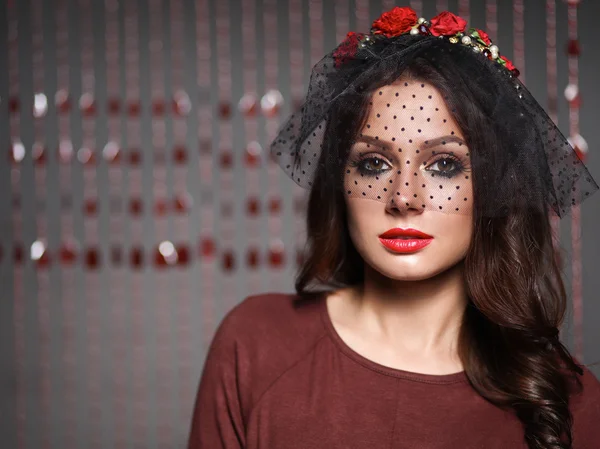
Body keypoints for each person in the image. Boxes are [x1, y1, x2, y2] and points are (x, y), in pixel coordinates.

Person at [187, 7, 600, 449]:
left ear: (496, 186)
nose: (404, 197)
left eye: (444, 165)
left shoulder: (571, 404)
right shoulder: (256, 344)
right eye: (373, 164)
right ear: (340, 181)